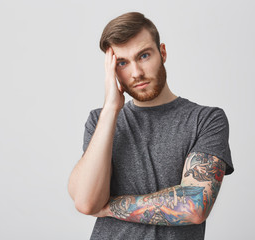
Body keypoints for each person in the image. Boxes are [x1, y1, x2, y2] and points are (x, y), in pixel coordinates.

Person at [68, 12, 234, 240]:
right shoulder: (100, 121)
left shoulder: (205, 119)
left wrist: (109, 208)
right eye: (122, 63)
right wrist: (110, 109)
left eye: (144, 55)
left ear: (162, 53)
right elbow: (86, 202)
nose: (136, 73)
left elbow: (194, 206)